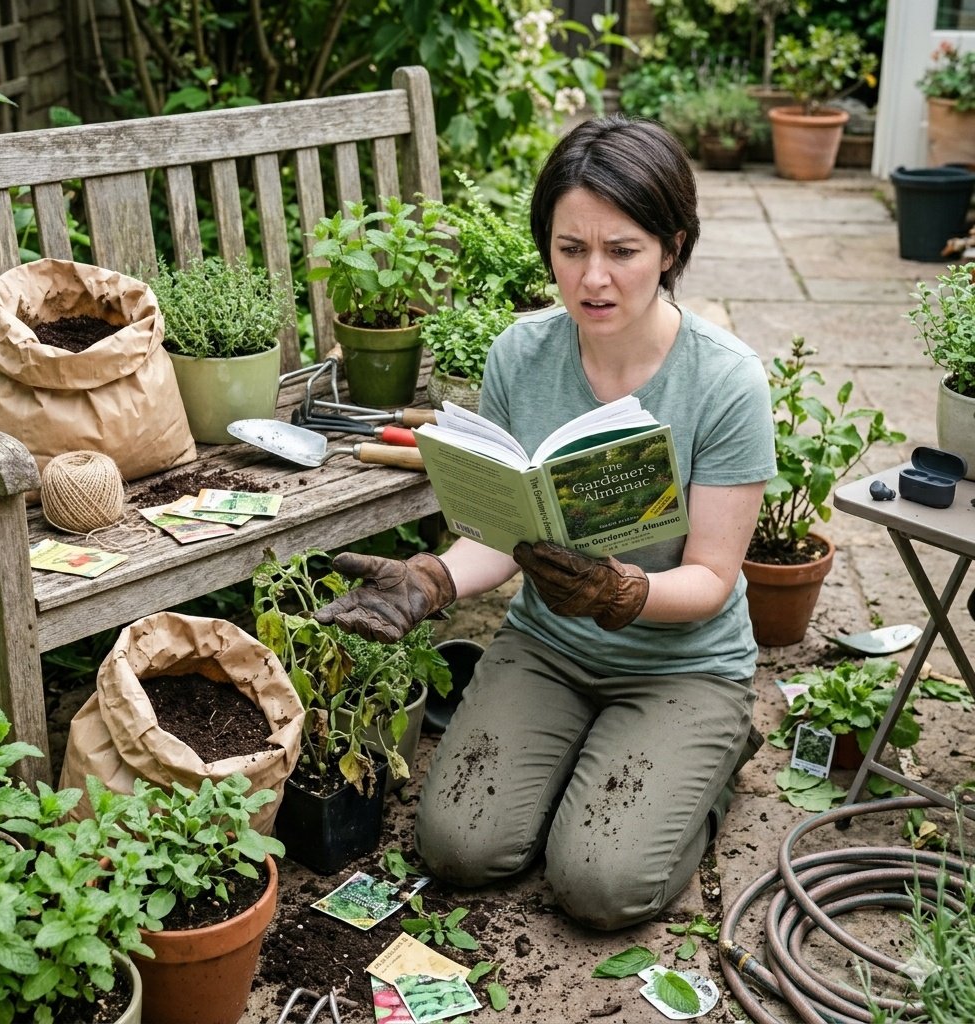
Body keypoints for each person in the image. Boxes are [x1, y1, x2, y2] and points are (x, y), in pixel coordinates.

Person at [314, 114, 776, 931]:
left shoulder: (725, 382)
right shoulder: (520, 357)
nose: (593, 279)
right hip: (550, 647)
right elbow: (500, 528)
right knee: (458, 849)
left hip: (682, 665)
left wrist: (620, 593)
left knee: (599, 887)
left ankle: (709, 763)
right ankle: (585, 756)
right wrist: (432, 579)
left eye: (622, 251)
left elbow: (710, 580)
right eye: (571, 249)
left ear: (670, 248)